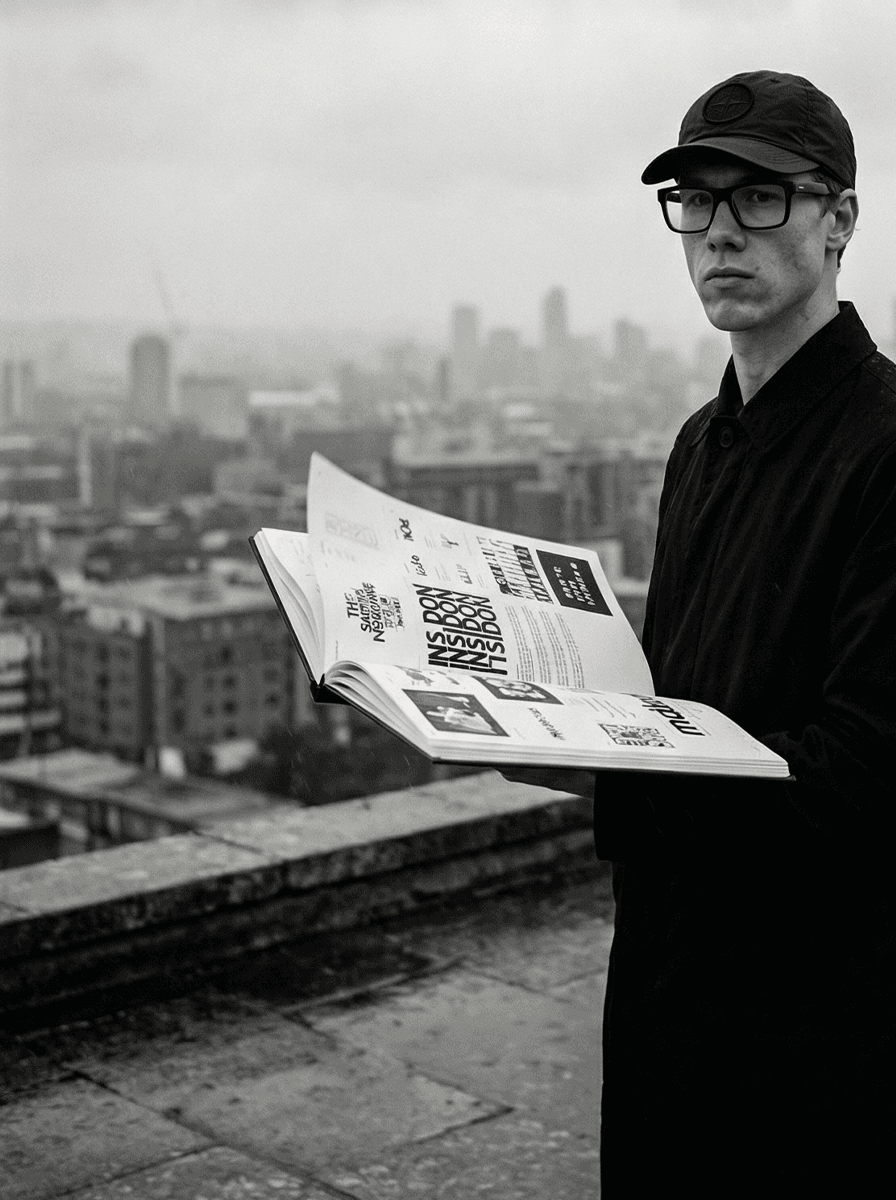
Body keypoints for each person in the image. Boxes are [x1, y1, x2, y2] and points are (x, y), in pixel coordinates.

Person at [505, 70, 896, 1195]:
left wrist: (594, 779)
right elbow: (674, 700)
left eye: (760, 196)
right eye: (694, 200)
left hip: (818, 1024)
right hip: (668, 973)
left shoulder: (883, 450)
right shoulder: (695, 442)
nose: (720, 228)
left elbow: (855, 781)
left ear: (839, 221)